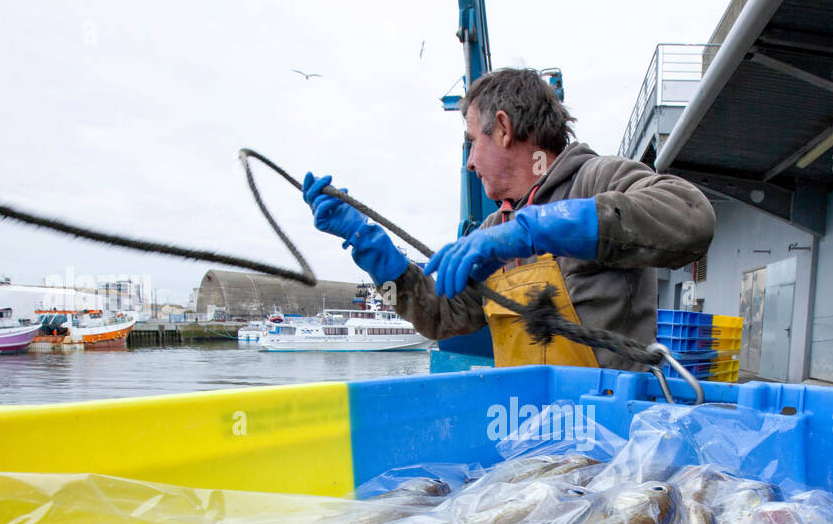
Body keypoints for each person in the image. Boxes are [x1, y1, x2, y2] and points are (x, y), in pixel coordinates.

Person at [302, 67, 715, 370]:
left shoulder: (597, 178)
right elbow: (438, 317)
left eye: (471, 143)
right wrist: (372, 250)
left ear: (502, 128)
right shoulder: (492, 229)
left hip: (606, 435)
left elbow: (692, 218)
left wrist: (532, 230)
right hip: (524, 424)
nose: (469, 163)